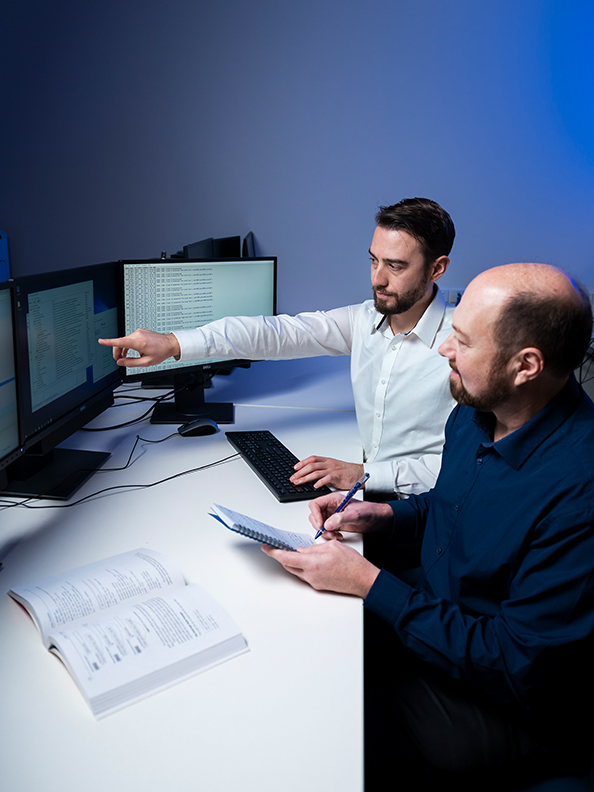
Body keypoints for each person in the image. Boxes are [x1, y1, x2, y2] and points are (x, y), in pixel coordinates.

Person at [262, 263, 594, 787]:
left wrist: (368, 582)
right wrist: (384, 515)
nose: (444, 349)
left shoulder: (580, 492)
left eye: (462, 340)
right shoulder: (476, 410)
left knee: (331, 730)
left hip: (505, 699)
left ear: (525, 365)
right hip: (440, 619)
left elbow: (514, 663)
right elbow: (452, 506)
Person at [99, 198, 457, 498]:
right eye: (373, 260)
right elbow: (275, 333)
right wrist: (174, 343)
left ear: (436, 269)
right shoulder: (364, 320)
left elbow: (474, 467)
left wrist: (365, 475)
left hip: (427, 513)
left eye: (395, 266)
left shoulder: (465, 346)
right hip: (366, 496)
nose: (377, 278)